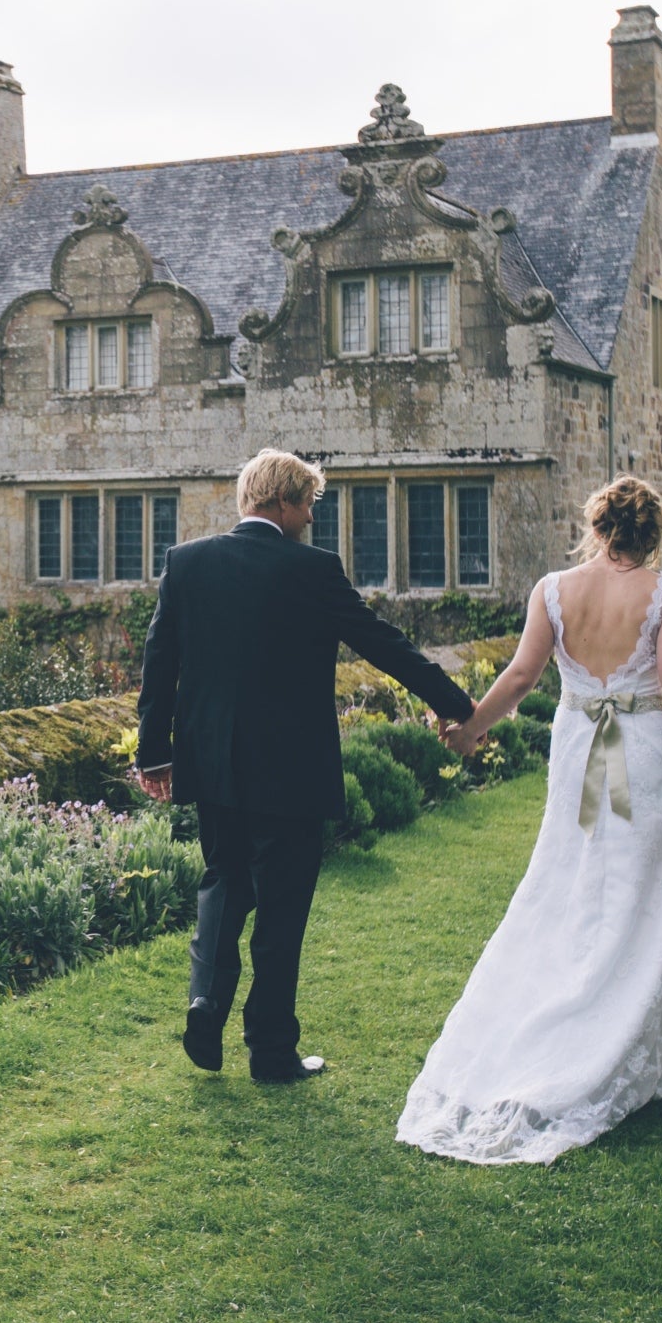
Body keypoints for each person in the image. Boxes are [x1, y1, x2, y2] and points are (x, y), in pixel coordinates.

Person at [394, 475, 662, 1163]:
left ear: (597, 527)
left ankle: (571, 1009)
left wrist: (472, 728)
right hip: (643, 753)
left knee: (569, 883)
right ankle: (606, 1038)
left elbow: (521, 677)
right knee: (638, 895)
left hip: (577, 749)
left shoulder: (552, 589)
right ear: (652, 534)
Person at [136, 448, 475, 1082]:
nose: (313, 519)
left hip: (212, 765)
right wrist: (459, 705)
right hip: (291, 772)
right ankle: (269, 1053)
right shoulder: (314, 571)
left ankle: (205, 1003)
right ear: (283, 501)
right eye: (310, 505)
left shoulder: (188, 563)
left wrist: (154, 753)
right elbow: (384, 645)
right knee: (282, 911)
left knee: (223, 883)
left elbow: (160, 666)